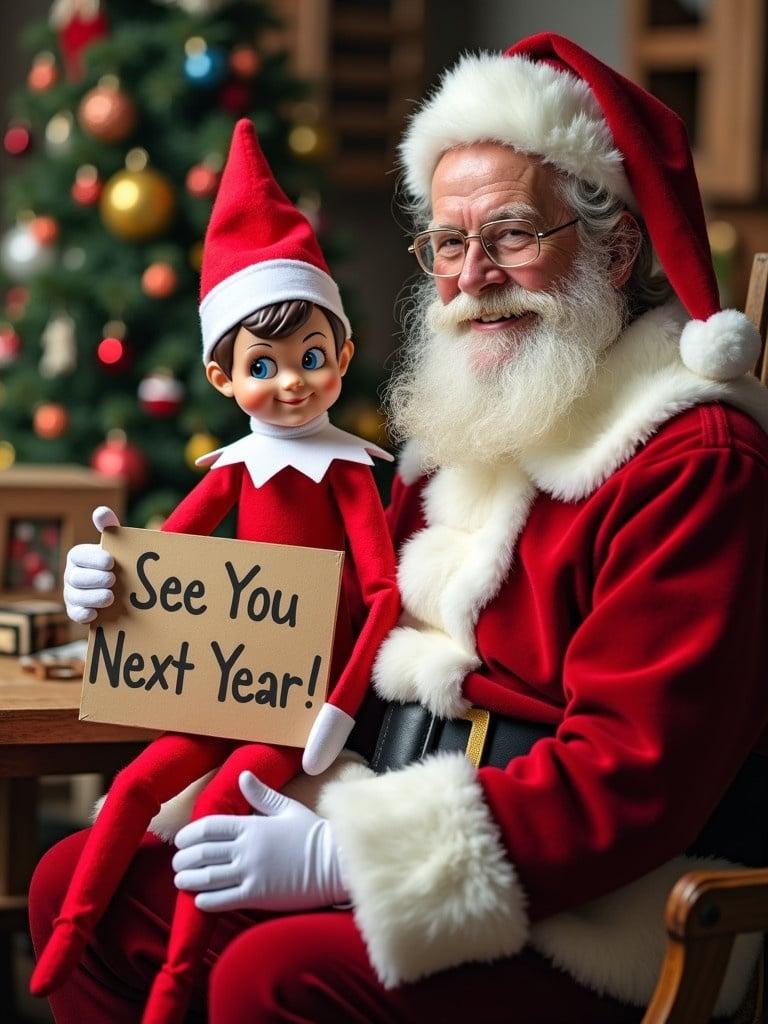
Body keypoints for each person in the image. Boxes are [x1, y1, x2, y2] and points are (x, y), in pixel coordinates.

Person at [30, 32, 768, 1024]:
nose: (473, 274)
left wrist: (350, 859)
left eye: (511, 233)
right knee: (84, 881)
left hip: (593, 906)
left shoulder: (691, 456)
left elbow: (633, 776)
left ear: (615, 244)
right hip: (375, 789)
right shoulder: (465, 424)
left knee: (270, 977)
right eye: (450, 242)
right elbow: (329, 635)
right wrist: (138, 599)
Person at [29, 121, 399, 1024]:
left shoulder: (351, 472)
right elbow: (162, 552)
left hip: (304, 708)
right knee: (135, 788)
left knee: (220, 814)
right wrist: (104, 572)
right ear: (222, 377)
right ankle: (68, 942)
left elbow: (384, 592)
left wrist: (341, 710)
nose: (291, 385)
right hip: (229, 690)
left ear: (343, 355)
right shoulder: (234, 468)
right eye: (263, 367)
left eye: (312, 359)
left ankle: (175, 985)